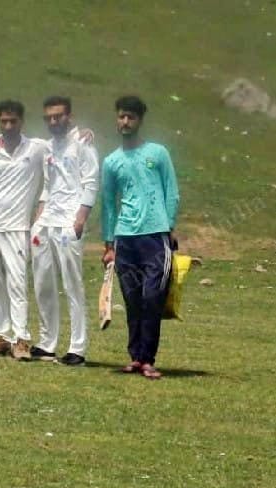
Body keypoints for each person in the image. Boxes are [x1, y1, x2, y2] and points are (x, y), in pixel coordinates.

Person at [100, 95, 180, 379]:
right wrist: (108, 243)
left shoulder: (158, 153)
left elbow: (172, 191)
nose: (125, 121)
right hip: (125, 237)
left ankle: (148, 358)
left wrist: (168, 227)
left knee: (152, 296)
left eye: (131, 117)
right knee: (132, 299)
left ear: (140, 120)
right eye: (121, 116)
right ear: (116, 118)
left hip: (155, 236)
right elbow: (108, 203)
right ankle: (135, 357)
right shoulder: (111, 162)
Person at [0, 100, 48, 361]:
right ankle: (0, 337)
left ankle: (21, 340)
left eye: (13, 121)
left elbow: (61, 145)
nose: (8, 126)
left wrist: (83, 134)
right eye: (3, 121)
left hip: (17, 228)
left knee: (16, 283)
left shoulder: (36, 148)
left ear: (21, 121)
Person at [30, 95, 99, 366]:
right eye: (48, 117)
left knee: (72, 283)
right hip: (47, 220)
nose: (53, 121)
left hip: (69, 222)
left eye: (58, 116)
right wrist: (39, 216)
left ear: (69, 116)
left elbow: (91, 181)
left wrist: (80, 218)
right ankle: (47, 343)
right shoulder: (47, 147)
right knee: (42, 281)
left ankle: (77, 348)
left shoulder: (82, 142)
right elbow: (48, 185)